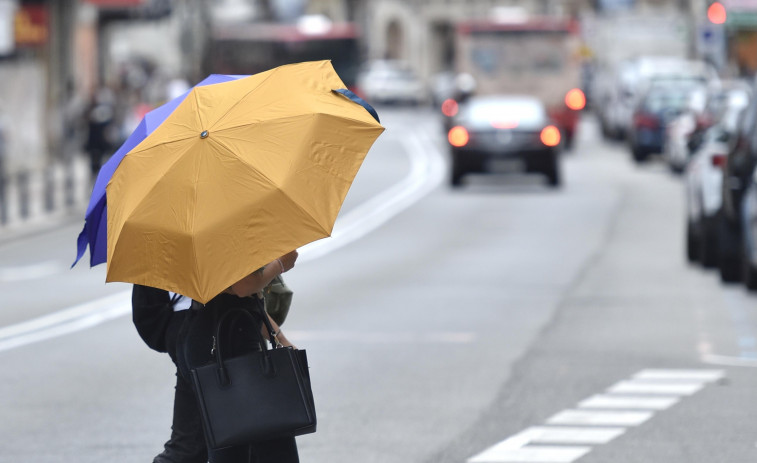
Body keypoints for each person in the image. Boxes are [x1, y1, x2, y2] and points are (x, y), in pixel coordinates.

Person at [134, 250, 299, 463]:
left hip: (201, 336)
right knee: (268, 442)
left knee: (214, 445)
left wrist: (280, 338)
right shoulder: (216, 230)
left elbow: (244, 298)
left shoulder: (192, 232)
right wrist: (281, 263)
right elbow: (242, 286)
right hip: (224, 343)